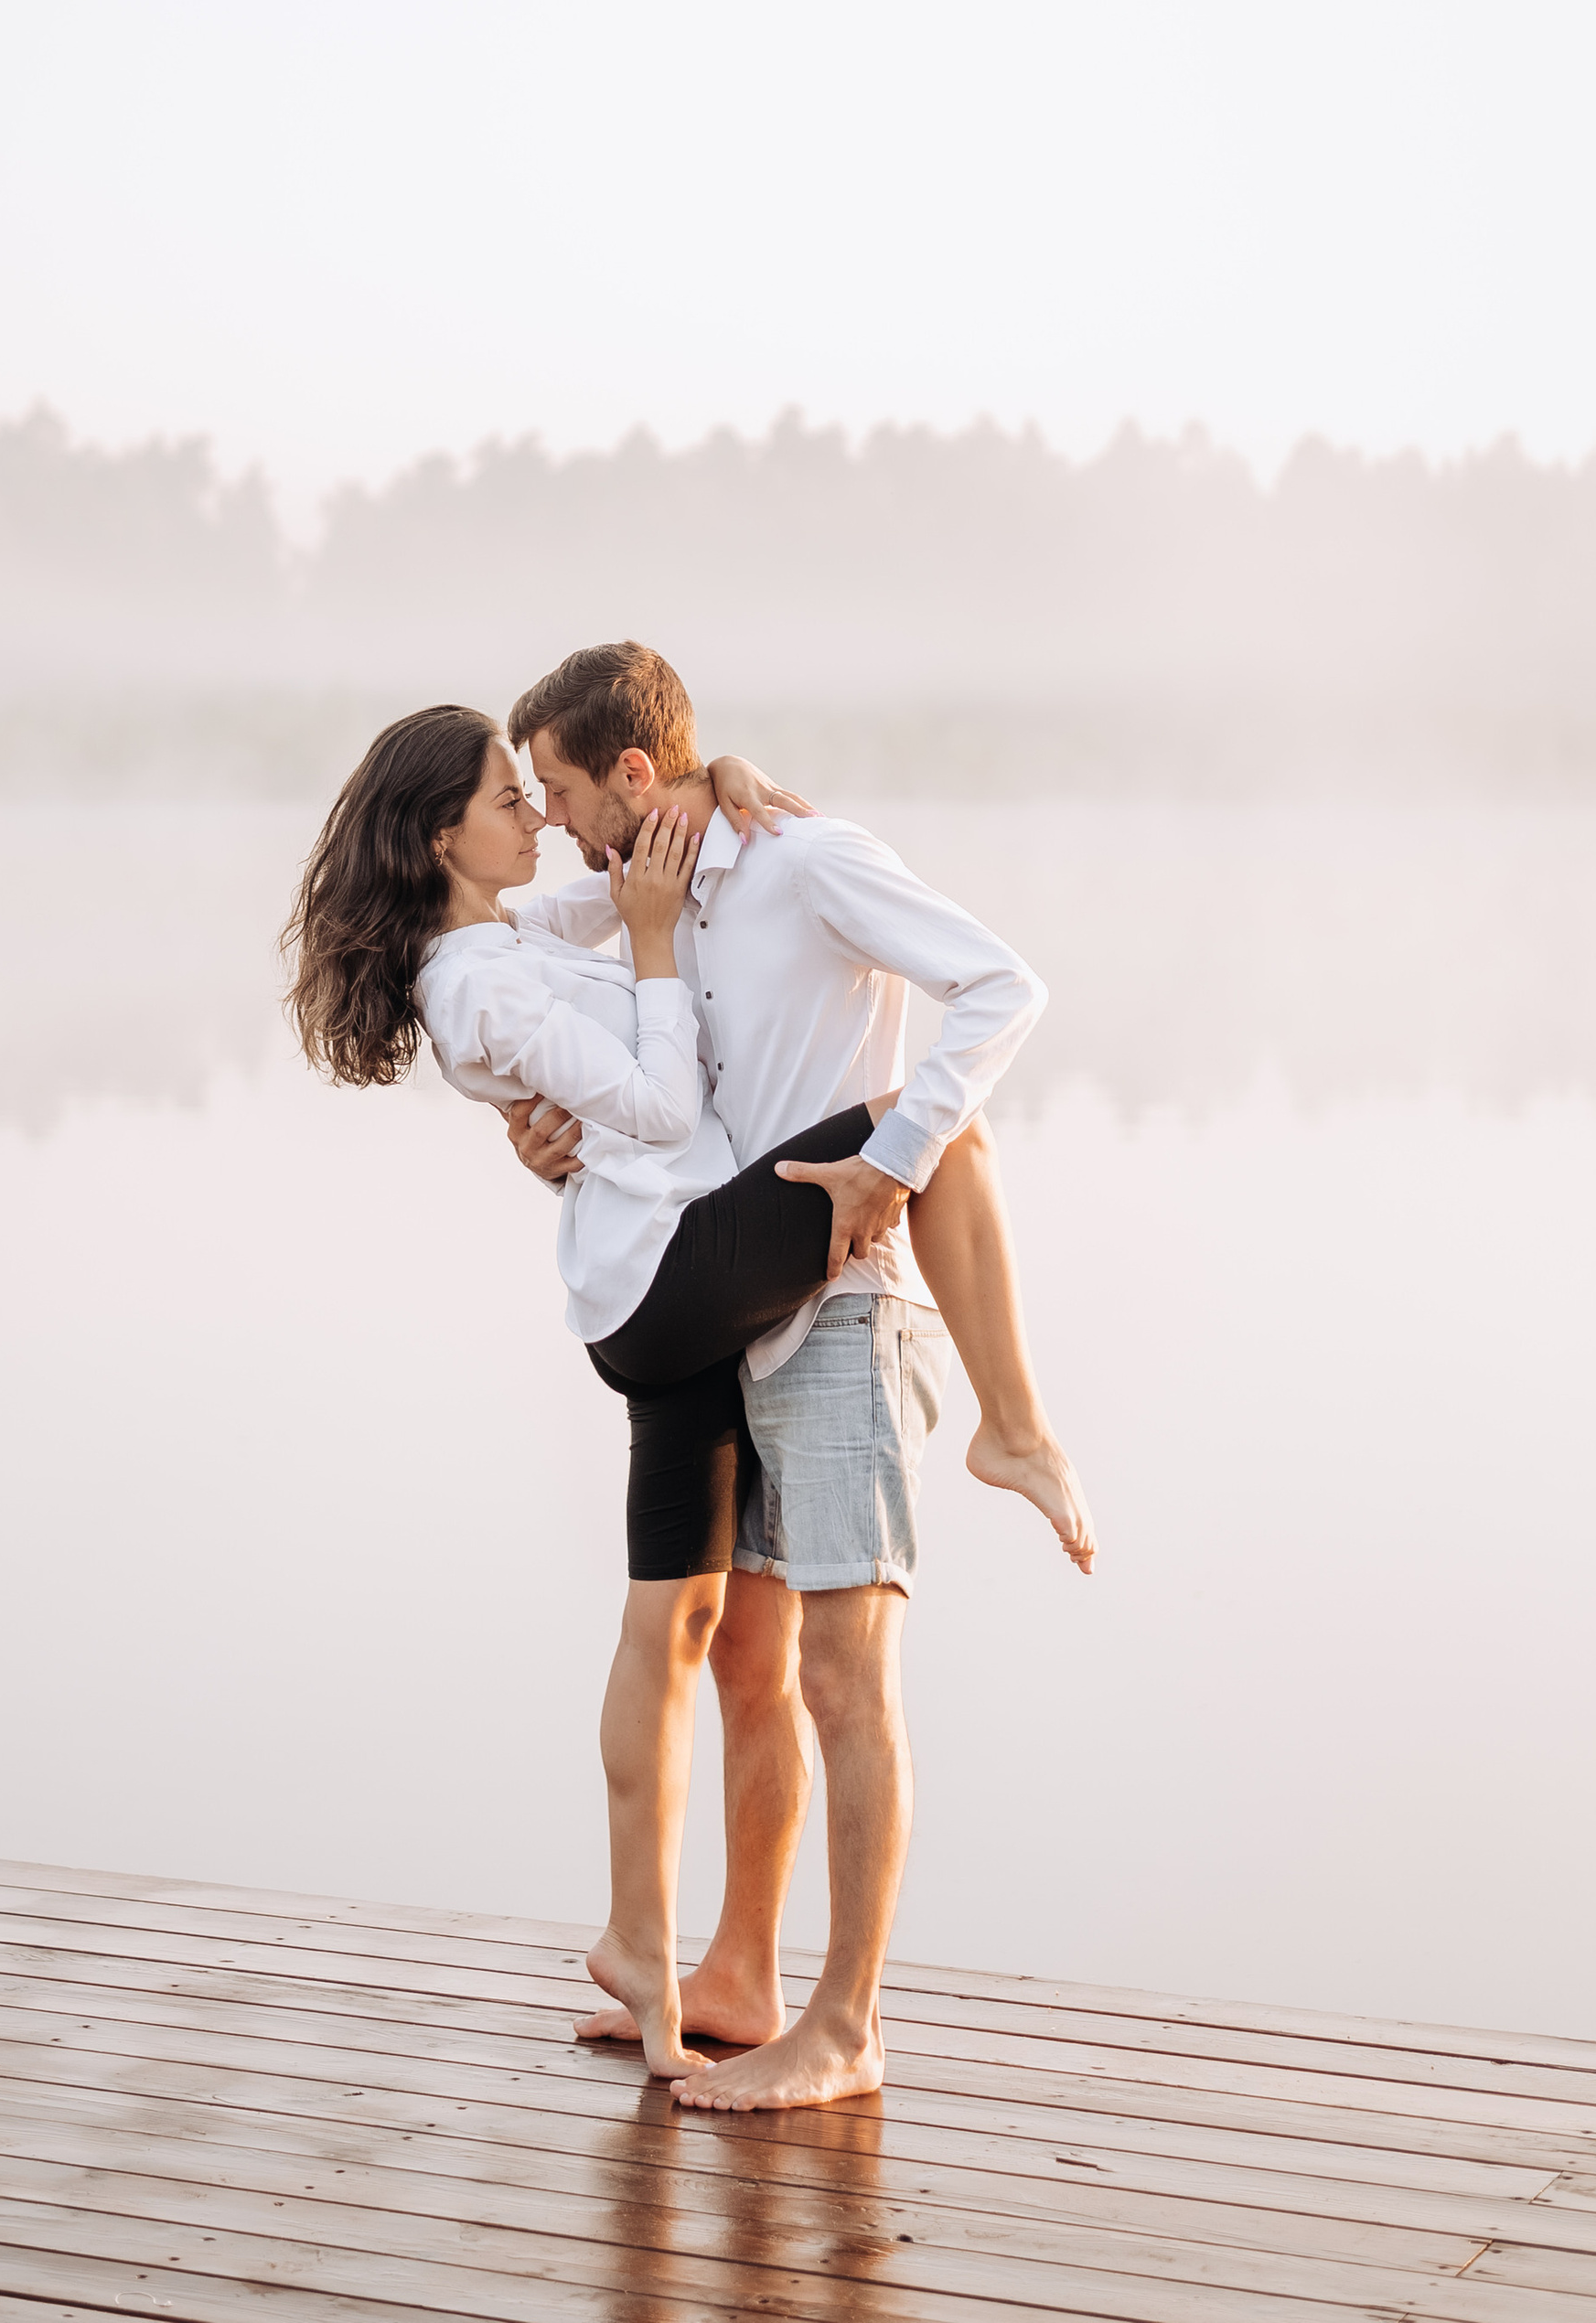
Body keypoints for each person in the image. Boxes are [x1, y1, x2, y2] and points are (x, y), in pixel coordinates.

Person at [284, 677, 1088, 2095]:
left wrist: (714, 784)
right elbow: (646, 1085)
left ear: (630, 778)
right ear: (438, 837)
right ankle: (1015, 1428)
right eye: (507, 797)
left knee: (689, 1628)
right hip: (674, 1280)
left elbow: (605, 917)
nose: (542, 818)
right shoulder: (485, 966)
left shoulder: (530, 918)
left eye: (551, 789)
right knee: (935, 1138)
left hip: (675, 1285)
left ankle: (678, 1960)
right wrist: (657, 947)